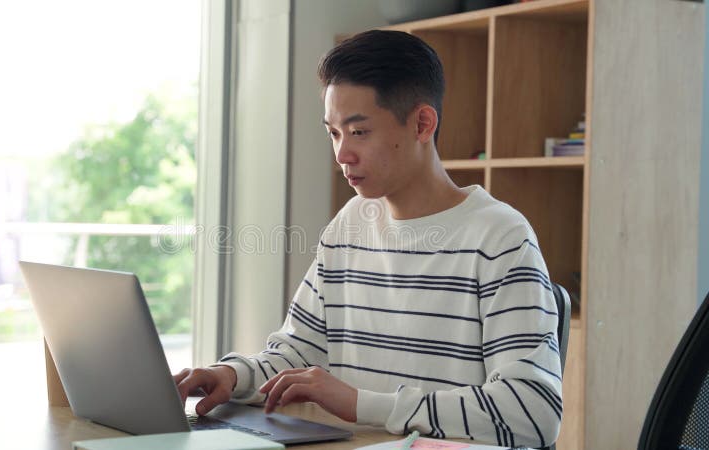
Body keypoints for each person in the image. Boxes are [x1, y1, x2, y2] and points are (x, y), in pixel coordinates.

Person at [175, 30, 562, 448]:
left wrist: (362, 404)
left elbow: (531, 411)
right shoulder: (350, 224)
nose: (342, 154)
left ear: (422, 123)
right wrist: (230, 377)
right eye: (334, 133)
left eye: (358, 132)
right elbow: (300, 355)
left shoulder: (500, 237)